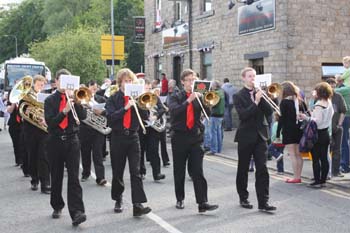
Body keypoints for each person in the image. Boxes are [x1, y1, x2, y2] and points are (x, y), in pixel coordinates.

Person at [168, 68, 218, 213]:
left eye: (193, 80)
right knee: (179, 171)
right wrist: (188, 101)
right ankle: (180, 198)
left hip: (195, 137)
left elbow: (207, 113)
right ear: (183, 82)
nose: (191, 83)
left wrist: (207, 103)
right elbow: (174, 111)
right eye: (189, 80)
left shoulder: (199, 96)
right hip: (179, 137)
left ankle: (202, 202)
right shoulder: (176, 96)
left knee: (198, 171)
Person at [105, 68, 151, 217]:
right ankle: (118, 198)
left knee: (135, 172)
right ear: (120, 83)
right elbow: (110, 118)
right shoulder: (113, 99)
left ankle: (137, 204)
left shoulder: (138, 98)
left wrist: (141, 105)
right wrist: (125, 108)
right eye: (125, 81)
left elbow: (145, 116)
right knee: (118, 172)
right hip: (118, 137)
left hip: (133, 137)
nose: (128, 83)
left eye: (130, 80)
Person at [44, 69, 87, 226]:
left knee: (74, 177)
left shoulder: (74, 98)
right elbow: (51, 123)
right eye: (61, 80)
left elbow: (83, 117)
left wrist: (77, 102)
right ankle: (57, 205)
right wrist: (64, 111)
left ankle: (77, 212)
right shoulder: (49, 100)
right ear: (56, 82)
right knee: (56, 176)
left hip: (72, 141)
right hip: (55, 141)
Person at [233, 67, 276, 212]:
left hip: (261, 136)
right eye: (250, 76)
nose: (253, 79)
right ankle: (243, 197)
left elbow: (269, 112)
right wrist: (256, 102)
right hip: (245, 135)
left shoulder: (260, 93)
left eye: (254, 76)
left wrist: (264, 98)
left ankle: (263, 202)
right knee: (243, 168)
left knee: (262, 169)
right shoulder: (238, 95)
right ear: (243, 78)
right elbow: (243, 115)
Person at [299, 82, 334, 188]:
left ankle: (317, 181)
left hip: (317, 134)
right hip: (326, 133)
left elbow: (316, 122)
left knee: (315, 158)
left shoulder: (319, 105)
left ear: (319, 92)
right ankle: (323, 180)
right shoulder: (329, 102)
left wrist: (306, 117)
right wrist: (312, 113)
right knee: (324, 158)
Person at [21, 75, 50, 194]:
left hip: (43, 130)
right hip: (30, 130)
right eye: (39, 84)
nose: (41, 86)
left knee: (44, 156)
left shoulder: (46, 97)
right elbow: (22, 110)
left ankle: (45, 184)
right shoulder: (26, 95)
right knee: (32, 155)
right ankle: (34, 179)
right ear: (34, 84)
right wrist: (30, 112)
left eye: (42, 85)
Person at [276, 81, 307, 183]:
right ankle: (298, 176)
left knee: (292, 154)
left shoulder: (284, 102)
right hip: (299, 130)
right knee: (299, 154)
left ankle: (296, 177)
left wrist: (277, 134)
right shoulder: (300, 101)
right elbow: (307, 113)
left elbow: (281, 120)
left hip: (288, 131)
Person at [79, 80, 107, 185]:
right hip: (85, 129)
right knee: (85, 152)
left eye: (95, 89)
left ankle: (100, 177)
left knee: (97, 154)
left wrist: (102, 112)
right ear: (88, 87)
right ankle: (85, 173)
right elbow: (79, 113)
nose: (93, 90)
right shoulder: (82, 98)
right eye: (92, 88)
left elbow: (108, 112)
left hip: (97, 130)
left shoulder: (101, 99)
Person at [326, 78, 347, 177]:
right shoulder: (323, 96)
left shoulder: (338, 96)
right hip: (325, 128)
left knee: (337, 150)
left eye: (334, 86)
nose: (333, 88)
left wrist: (339, 124)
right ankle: (327, 172)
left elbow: (343, 111)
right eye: (331, 86)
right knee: (326, 150)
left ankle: (336, 171)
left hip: (337, 128)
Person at [207, 80, 225, 155]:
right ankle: (219, 149)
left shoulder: (215, 93)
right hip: (221, 115)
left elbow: (211, 104)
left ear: (214, 86)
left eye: (212, 85)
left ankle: (214, 149)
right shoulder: (221, 92)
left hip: (215, 115)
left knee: (213, 133)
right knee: (219, 133)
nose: (211, 86)